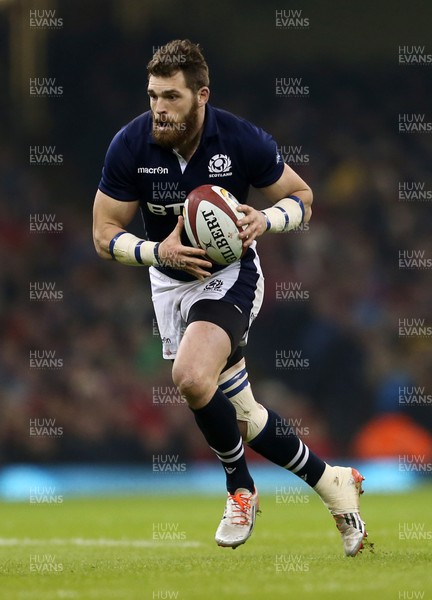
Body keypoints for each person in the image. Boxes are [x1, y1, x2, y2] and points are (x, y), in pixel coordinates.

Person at [93, 39, 369, 556]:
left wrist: (266, 218)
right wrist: (158, 250)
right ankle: (333, 482)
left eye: (171, 97)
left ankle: (240, 488)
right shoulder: (130, 144)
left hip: (230, 275)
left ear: (202, 96)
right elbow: (103, 234)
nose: (159, 108)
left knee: (191, 378)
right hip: (167, 277)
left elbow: (303, 198)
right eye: (153, 95)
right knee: (240, 412)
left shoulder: (242, 140)